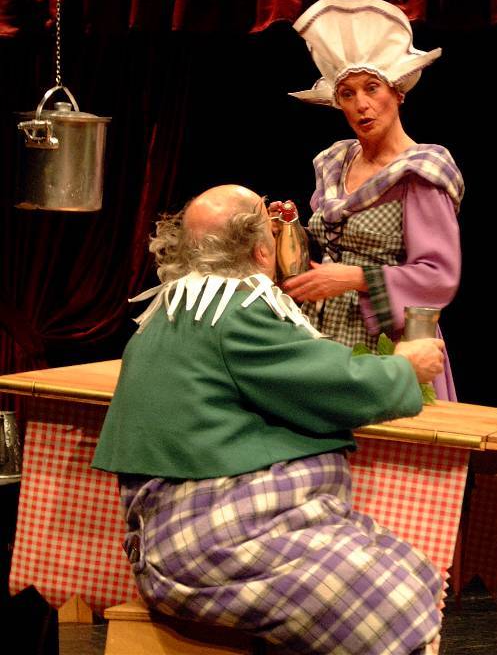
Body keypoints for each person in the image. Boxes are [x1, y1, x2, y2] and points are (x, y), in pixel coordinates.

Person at [92, 183, 446, 654]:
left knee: (401, 568)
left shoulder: (178, 310)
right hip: (210, 540)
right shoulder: (232, 312)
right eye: (273, 232)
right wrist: (405, 367)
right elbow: (328, 383)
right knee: (390, 602)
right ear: (261, 250)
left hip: (200, 535)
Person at [282, 0, 464, 401]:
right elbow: (328, 248)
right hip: (324, 333)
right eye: (347, 93)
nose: (361, 105)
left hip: (390, 341)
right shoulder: (335, 163)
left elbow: (439, 276)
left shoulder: (420, 172)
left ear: (397, 92)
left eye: (371, 88)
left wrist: (352, 278)